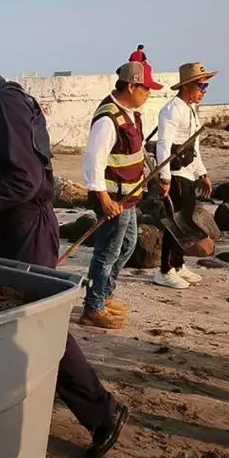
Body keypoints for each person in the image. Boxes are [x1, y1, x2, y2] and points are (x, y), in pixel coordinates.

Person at [0, 28, 129, 458]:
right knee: (11, 322)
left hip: (25, 228)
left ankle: (103, 414)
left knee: (39, 328)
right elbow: (5, 172)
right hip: (6, 227)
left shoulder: (4, 104)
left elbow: (27, 180)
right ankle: (17, 406)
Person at [80, 61, 161, 328]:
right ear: (131, 85)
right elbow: (95, 160)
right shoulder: (109, 118)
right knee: (107, 253)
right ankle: (93, 307)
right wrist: (104, 200)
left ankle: (104, 294)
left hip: (129, 198)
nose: (149, 93)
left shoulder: (131, 114)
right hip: (113, 201)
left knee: (126, 246)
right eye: (146, 88)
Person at [153, 62, 217, 289]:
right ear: (188, 86)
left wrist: (202, 173)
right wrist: (165, 177)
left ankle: (178, 265)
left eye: (205, 86)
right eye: (201, 86)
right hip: (176, 173)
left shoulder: (190, 110)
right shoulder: (172, 109)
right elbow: (164, 144)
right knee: (175, 222)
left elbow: (194, 147)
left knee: (187, 220)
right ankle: (165, 269)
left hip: (189, 173)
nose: (204, 91)